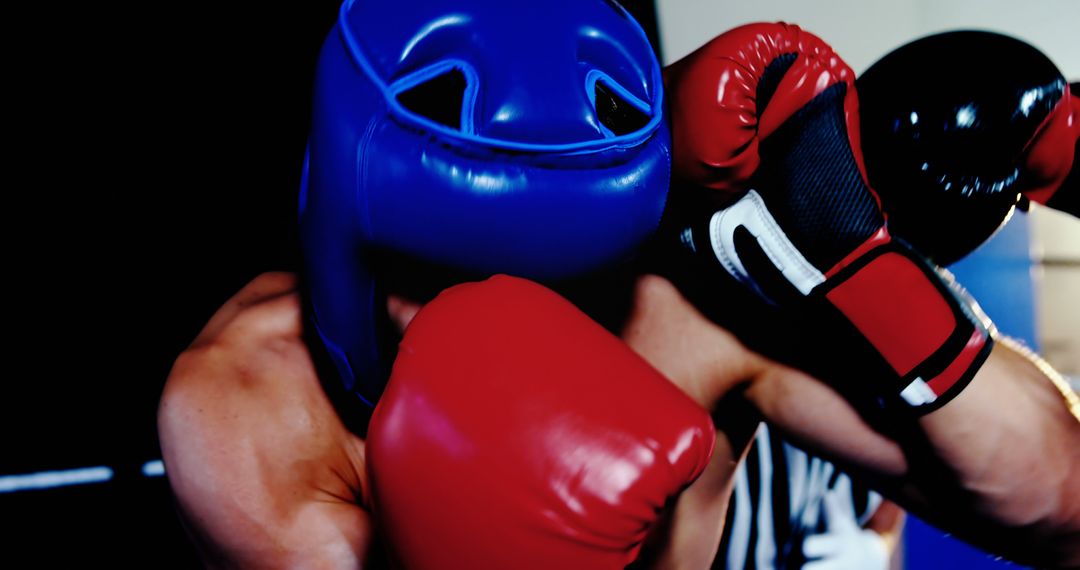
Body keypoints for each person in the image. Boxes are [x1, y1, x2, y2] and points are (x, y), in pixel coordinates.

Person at [158, 15, 1080, 570]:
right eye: (441, 256)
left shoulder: (672, 300)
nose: (503, 291)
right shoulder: (247, 400)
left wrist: (861, 270)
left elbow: (1060, 510)